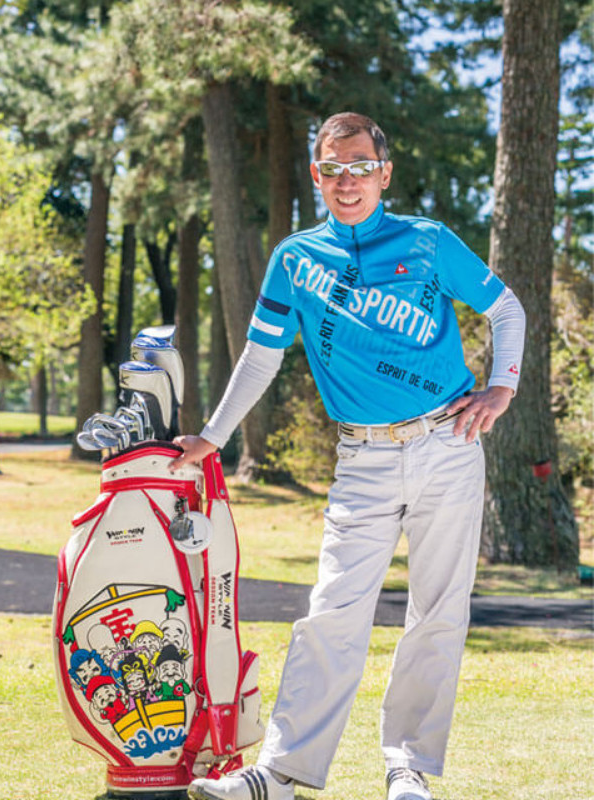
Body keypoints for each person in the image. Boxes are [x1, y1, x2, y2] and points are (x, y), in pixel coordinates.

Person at [170, 112, 525, 800]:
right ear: (316, 174)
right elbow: (261, 356)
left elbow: (506, 309)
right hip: (362, 458)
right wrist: (213, 436)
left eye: (361, 167)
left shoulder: (427, 240)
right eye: (333, 168)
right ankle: (280, 773)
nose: (347, 181)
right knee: (332, 610)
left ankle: (407, 768)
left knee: (438, 611)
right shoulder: (295, 259)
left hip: (447, 444)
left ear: (384, 174)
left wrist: (501, 387)